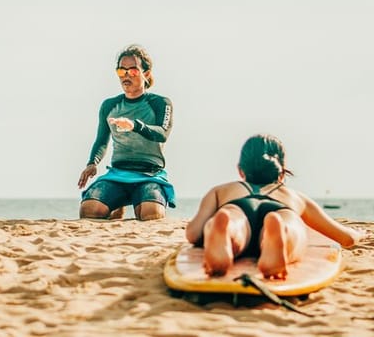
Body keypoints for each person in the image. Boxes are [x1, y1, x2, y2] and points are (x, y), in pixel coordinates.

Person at [185, 134, 364, 279]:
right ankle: (280, 236)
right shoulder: (294, 196)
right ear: (281, 172)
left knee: (232, 219)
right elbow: (345, 238)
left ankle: (227, 230)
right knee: (289, 229)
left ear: (241, 170)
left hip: (237, 206)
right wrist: (358, 233)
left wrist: (207, 232)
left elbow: (193, 233)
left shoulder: (222, 191)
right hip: (281, 209)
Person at [78, 44, 175, 221]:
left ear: (146, 73)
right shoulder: (110, 105)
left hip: (150, 175)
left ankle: (142, 200)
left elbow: (162, 133)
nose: (126, 76)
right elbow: (101, 140)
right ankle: (118, 205)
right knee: (89, 210)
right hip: (118, 173)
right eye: (122, 71)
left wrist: (135, 126)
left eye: (133, 70)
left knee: (151, 215)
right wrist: (92, 162)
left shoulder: (160, 103)